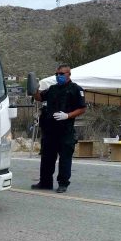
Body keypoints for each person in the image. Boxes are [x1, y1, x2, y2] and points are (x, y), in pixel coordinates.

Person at [31, 64, 86, 193]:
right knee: (47, 157)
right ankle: (45, 182)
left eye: (61, 74)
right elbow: (39, 98)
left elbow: (82, 108)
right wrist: (35, 90)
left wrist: (68, 115)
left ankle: (63, 183)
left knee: (65, 159)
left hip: (65, 130)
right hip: (50, 130)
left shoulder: (76, 89)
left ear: (68, 74)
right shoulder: (53, 89)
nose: (58, 76)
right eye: (57, 74)